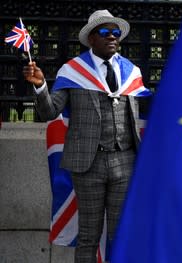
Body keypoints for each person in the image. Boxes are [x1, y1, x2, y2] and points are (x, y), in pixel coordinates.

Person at [23, 9, 149, 263]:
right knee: (89, 237)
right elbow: (49, 112)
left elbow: (153, 111)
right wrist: (40, 86)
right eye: (105, 32)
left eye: (115, 33)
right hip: (88, 165)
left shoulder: (131, 73)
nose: (112, 37)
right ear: (91, 38)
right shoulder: (73, 71)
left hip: (125, 162)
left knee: (121, 235)